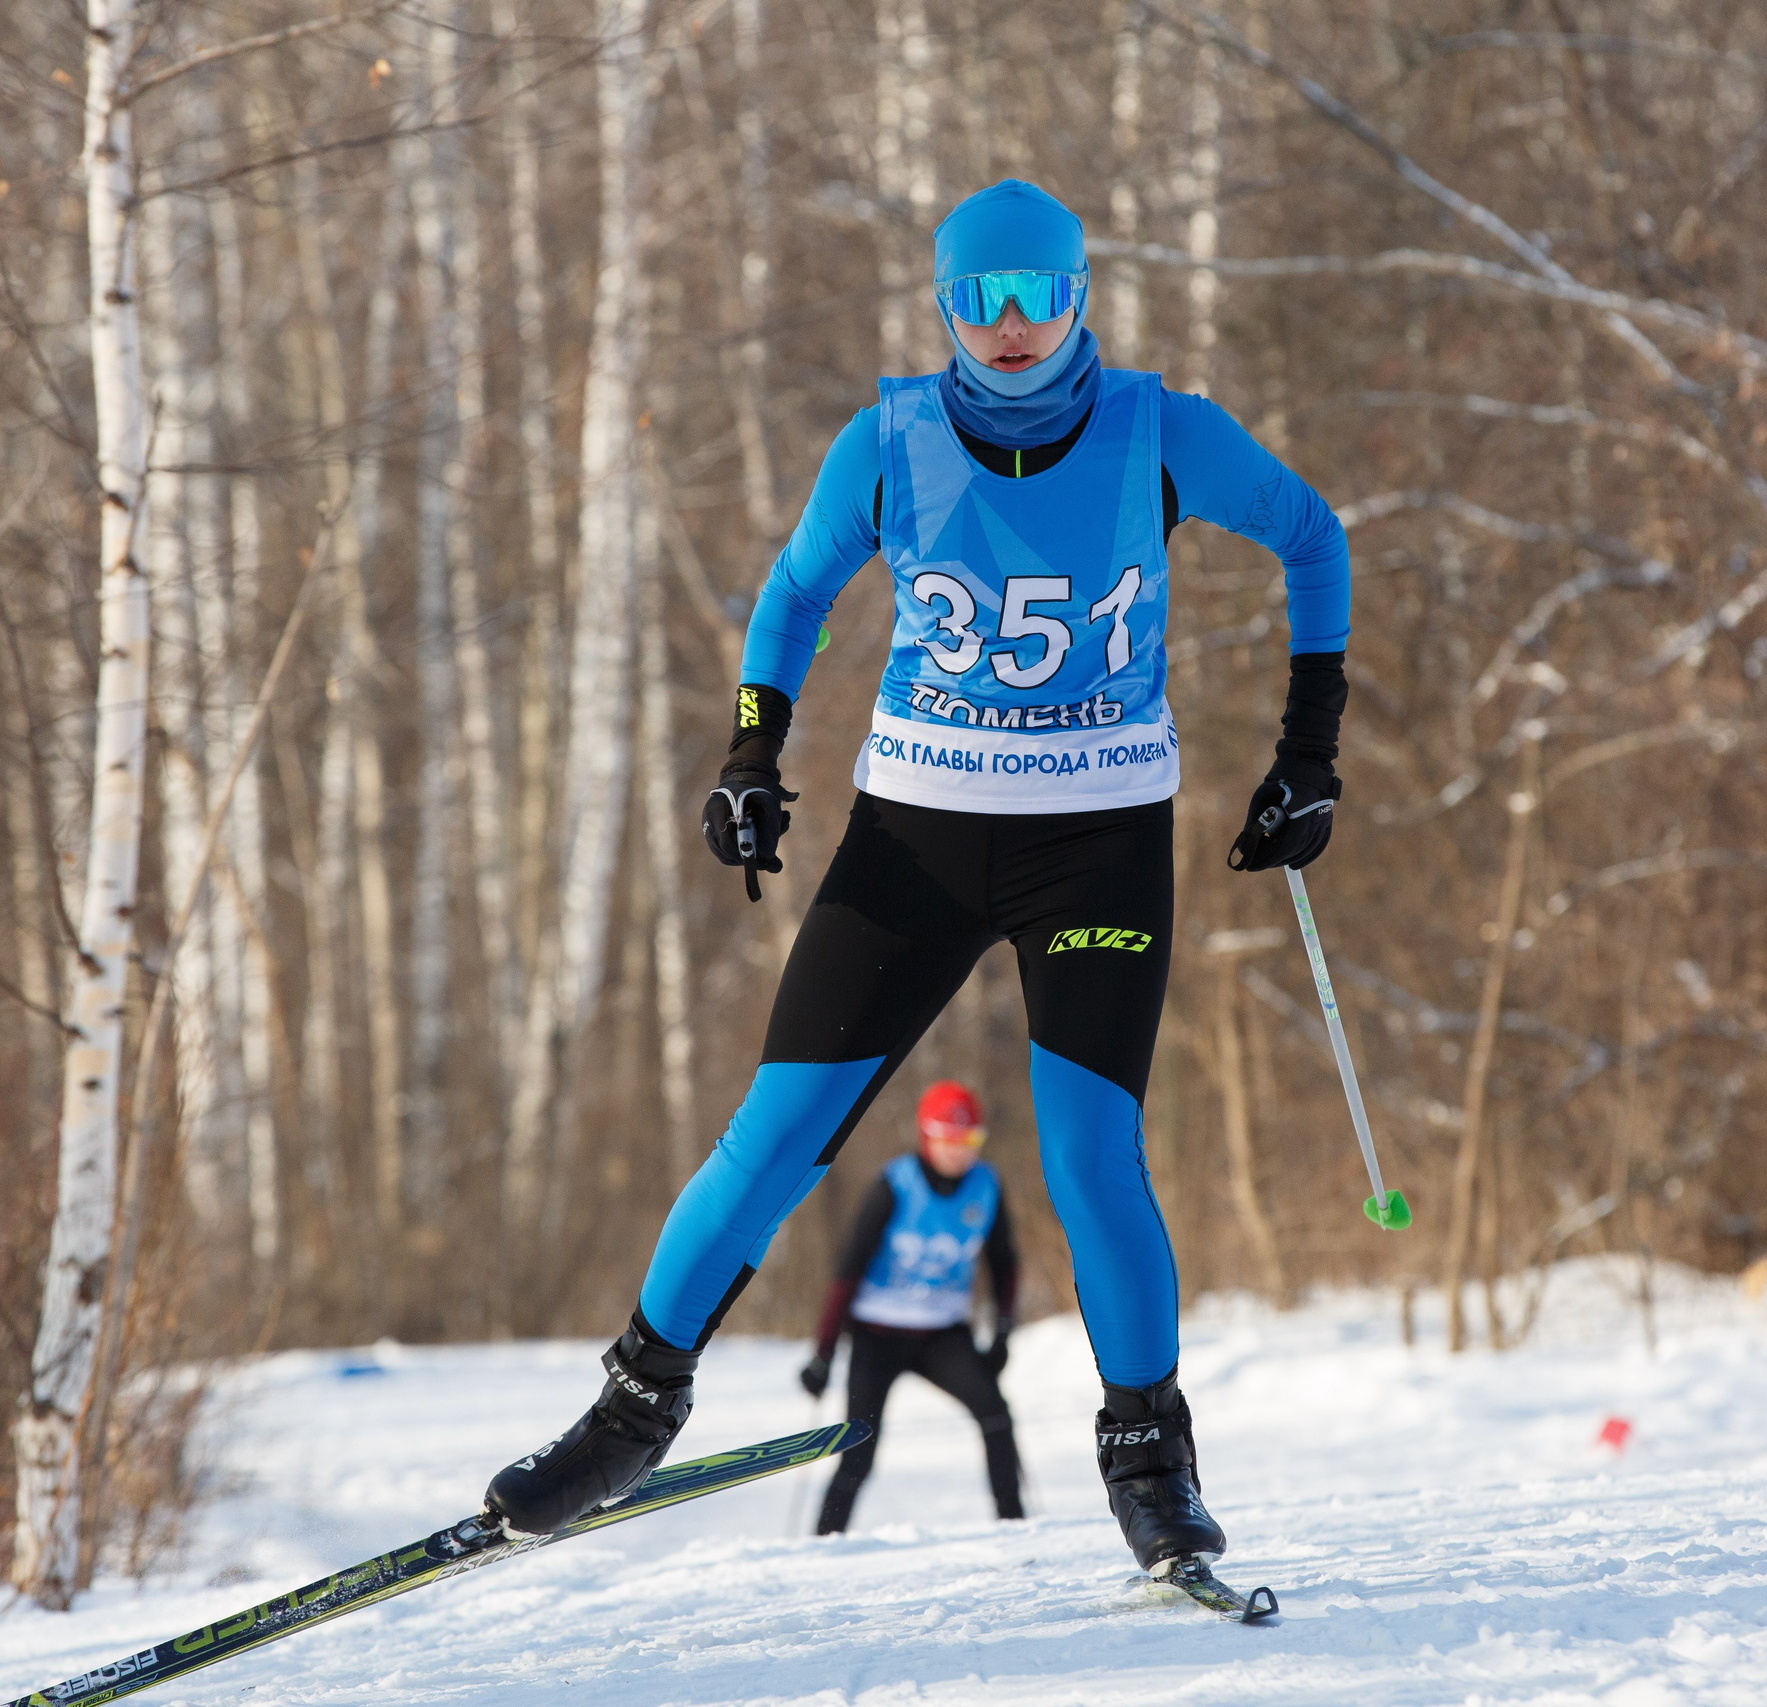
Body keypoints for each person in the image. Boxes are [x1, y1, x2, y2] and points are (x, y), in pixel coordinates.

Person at [483, 178, 1350, 1578]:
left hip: (1099, 839)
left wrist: (1310, 753)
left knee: (1090, 1161)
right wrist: (750, 753)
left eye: (1039, 298)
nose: (1010, 330)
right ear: (945, 305)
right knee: (773, 1139)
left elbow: (1315, 536)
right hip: (915, 838)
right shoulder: (887, 440)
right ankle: (630, 1412)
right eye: (980, 300)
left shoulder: (1160, 432)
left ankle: (1152, 1460)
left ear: (1079, 298)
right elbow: (794, 593)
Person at [799, 1079, 1024, 1533]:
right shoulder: (894, 1184)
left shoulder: (986, 1185)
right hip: (877, 1331)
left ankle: (1014, 1527)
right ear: (927, 1136)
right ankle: (822, 1543)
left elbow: (1004, 1262)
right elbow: (848, 1269)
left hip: (942, 1333)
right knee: (858, 1446)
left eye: (971, 1141)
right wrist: (824, 1353)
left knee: (995, 1415)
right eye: (949, 1140)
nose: (960, 1152)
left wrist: (1001, 1331)